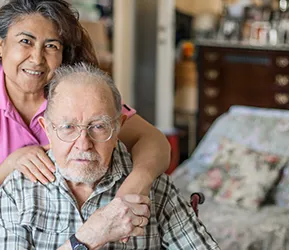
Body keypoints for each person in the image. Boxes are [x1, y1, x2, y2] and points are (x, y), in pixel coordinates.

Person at [0, 63, 219, 249]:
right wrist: (88, 237)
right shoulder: (18, 191)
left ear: (118, 128)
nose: (83, 144)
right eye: (68, 127)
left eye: (98, 126)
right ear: (46, 129)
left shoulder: (153, 186)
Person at [0, 0, 170, 197]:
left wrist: (133, 187)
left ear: (64, 54)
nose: (37, 58)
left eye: (51, 45)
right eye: (25, 41)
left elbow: (155, 141)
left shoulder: (77, 95)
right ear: (1, 45)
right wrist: (10, 165)